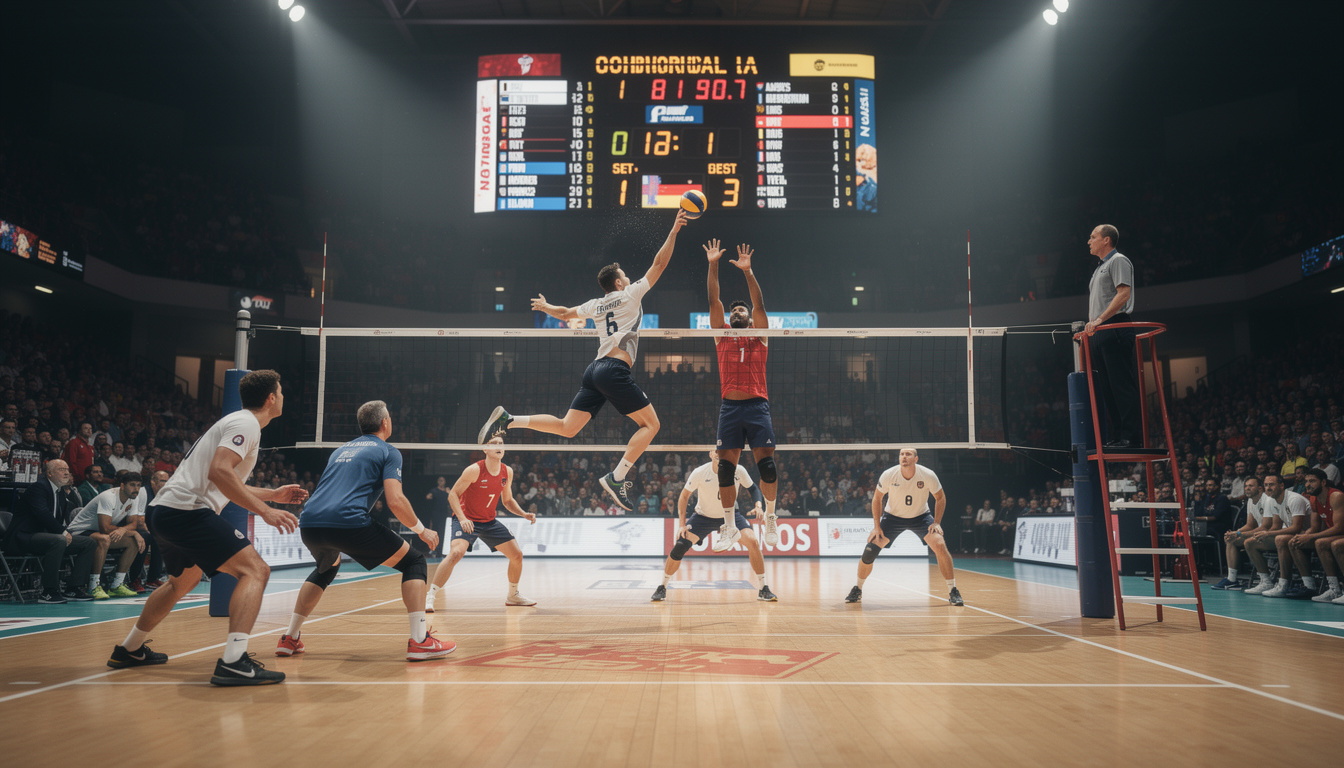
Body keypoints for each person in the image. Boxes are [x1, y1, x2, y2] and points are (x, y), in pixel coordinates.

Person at [478, 210, 691, 511]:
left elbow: (565, 313)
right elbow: (659, 263)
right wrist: (674, 230)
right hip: (615, 370)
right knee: (652, 425)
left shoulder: (596, 304)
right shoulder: (630, 294)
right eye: (625, 276)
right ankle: (617, 477)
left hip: (594, 371)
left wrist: (545, 306)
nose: (629, 278)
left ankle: (509, 420)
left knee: (567, 428)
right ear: (619, 283)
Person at [105, 370, 307, 686]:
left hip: (166, 511)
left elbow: (225, 481)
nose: (283, 397)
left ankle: (129, 649)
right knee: (256, 571)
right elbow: (219, 472)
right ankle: (234, 662)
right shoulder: (246, 423)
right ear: (271, 398)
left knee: (182, 581)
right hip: (187, 512)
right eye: (280, 392)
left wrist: (273, 495)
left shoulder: (239, 423)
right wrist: (266, 511)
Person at [278, 400, 454, 662]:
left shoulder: (340, 451)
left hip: (310, 521)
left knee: (326, 568)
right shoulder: (388, 450)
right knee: (415, 561)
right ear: (385, 422)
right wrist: (421, 530)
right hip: (347, 521)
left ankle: (289, 638)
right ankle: (420, 642)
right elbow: (395, 500)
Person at [703, 239, 780, 551]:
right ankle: (729, 526)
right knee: (725, 469)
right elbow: (713, 301)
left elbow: (759, 306)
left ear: (748, 318)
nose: (736, 311)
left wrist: (748, 272)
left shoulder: (759, 336)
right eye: (733, 309)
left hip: (757, 407)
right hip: (730, 408)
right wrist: (713, 264)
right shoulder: (721, 335)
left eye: (741, 309)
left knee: (768, 467)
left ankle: (771, 518)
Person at [425, 434, 539, 612]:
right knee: (456, 553)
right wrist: (462, 519)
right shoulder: (474, 470)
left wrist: (523, 514)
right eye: (494, 444)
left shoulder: (506, 471)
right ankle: (430, 596)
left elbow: (507, 501)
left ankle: (513, 595)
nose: (499, 446)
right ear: (485, 449)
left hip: (488, 521)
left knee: (517, 555)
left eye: (501, 443)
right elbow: (452, 495)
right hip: (467, 519)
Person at [651, 450, 774, 602]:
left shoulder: (738, 470)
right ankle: (662, 586)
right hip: (703, 517)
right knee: (680, 545)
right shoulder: (700, 472)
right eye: (716, 450)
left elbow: (754, 488)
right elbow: (684, 496)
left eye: (722, 451)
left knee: (753, 542)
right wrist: (681, 525)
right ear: (711, 454)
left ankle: (763, 588)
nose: (719, 453)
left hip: (730, 516)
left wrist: (758, 505)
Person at [845, 448, 963, 606]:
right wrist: (877, 526)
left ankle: (953, 590)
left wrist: (936, 522)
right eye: (901, 454)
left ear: (916, 459)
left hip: (921, 517)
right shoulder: (889, 474)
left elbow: (940, 497)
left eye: (908, 454)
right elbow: (877, 499)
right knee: (870, 551)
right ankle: (857, 588)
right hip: (893, 517)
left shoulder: (927, 475)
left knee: (940, 545)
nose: (904, 457)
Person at [2, 459, 99, 603]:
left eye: (67, 469)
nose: (66, 473)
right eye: (61, 469)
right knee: (59, 540)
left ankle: (73, 588)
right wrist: (63, 532)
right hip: (23, 537)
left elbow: (57, 521)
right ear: (49, 473)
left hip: (46, 537)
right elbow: (42, 513)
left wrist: (66, 533)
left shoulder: (59, 492)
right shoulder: (39, 487)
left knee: (89, 542)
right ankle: (48, 591)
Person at [1082, 224, 1140, 450]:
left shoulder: (1119, 261)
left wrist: (1099, 320)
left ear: (1106, 240)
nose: (1089, 241)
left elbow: (1123, 294)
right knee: (1108, 387)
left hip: (1114, 327)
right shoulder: (1099, 268)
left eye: (1093, 236)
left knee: (1121, 385)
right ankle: (1119, 435)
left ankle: (1131, 437)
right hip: (1100, 331)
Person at [66, 470, 147, 599]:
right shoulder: (108, 496)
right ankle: (93, 586)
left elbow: (133, 524)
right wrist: (129, 531)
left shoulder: (133, 498)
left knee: (133, 542)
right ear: (122, 486)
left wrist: (126, 531)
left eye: (138, 485)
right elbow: (105, 528)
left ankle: (117, 585)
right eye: (132, 485)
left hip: (97, 531)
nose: (136, 489)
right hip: (78, 531)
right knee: (104, 539)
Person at [1243, 474, 1310, 597]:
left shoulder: (1294, 499)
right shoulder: (1274, 500)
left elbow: (1296, 527)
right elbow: (1276, 525)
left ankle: (1285, 584)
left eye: (1271, 484)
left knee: (1280, 539)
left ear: (1282, 485)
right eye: (1266, 485)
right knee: (1250, 542)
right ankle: (1266, 582)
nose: (1268, 488)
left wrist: (1268, 533)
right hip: (1292, 534)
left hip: (1308, 534)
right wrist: (1264, 535)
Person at [1288, 469, 1344, 602]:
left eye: (1312, 481)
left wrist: (1312, 537)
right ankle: (1317, 587)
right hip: (1335, 535)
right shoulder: (1313, 499)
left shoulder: (1336, 496)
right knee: (1294, 543)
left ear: (1323, 482)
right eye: (1306, 481)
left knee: (1325, 543)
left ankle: (1337, 588)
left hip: (1340, 533)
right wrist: (1305, 535)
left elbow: (1339, 528)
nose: (1307, 484)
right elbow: (1314, 528)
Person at [1212, 476, 1274, 590]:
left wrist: (1240, 534)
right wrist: (1235, 533)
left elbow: (1265, 527)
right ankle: (1232, 579)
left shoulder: (1268, 500)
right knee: (1231, 540)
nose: (1247, 488)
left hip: (1269, 534)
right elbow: (1250, 525)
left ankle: (1266, 580)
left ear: (1260, 488)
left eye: (1251, 486)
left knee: (1248, 542)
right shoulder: (1250, 500)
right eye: (1246, 486)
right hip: (1259, 534)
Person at [423, 475, 451, 556]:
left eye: (443, 480)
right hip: (436, 513)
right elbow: (427, 497)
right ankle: (434, 549)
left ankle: (442, 549)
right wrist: (430, 496)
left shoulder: (447, 491)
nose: (441, 482)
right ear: (437, 481)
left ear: (445, 482)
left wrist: (449, 493)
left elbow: (452, 499)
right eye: (439, 480)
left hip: (444, 514)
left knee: (443, 532)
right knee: (435, 531)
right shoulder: (434, 491)